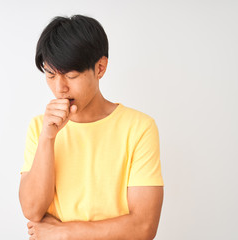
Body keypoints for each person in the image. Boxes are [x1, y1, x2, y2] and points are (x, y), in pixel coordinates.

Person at [19, 14, 164, 240]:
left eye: (71, 75)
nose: (60, 88)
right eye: (50, 74)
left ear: (100, 68)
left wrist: (63, 233)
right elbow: (32, 211)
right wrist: (47, 138)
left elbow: (143, 227)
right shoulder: (40, 126)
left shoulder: (139, 127)